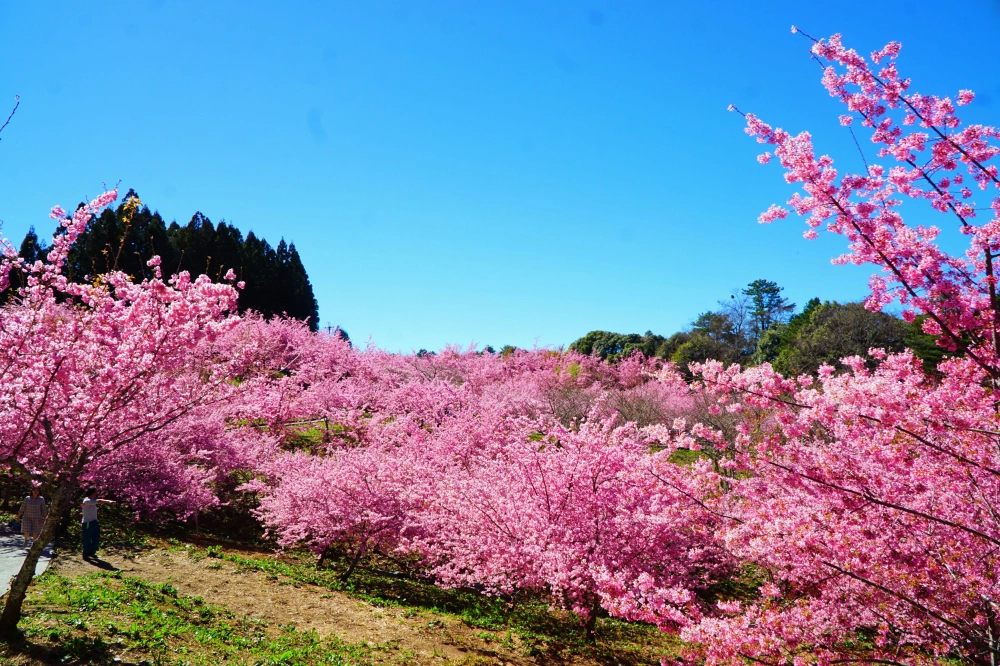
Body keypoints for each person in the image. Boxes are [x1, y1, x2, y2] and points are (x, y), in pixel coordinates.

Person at [81, 487, 115, 560]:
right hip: (87, 523)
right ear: (92, 493)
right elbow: (99, 501)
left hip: (94, 522)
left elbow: (82, 506)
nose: (96, 494)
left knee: (96, 538)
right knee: (87, 539)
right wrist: (108, 501)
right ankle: (86, 555)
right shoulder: (87, 500)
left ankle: (92, 553)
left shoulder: (90, 501)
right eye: (95, 492)